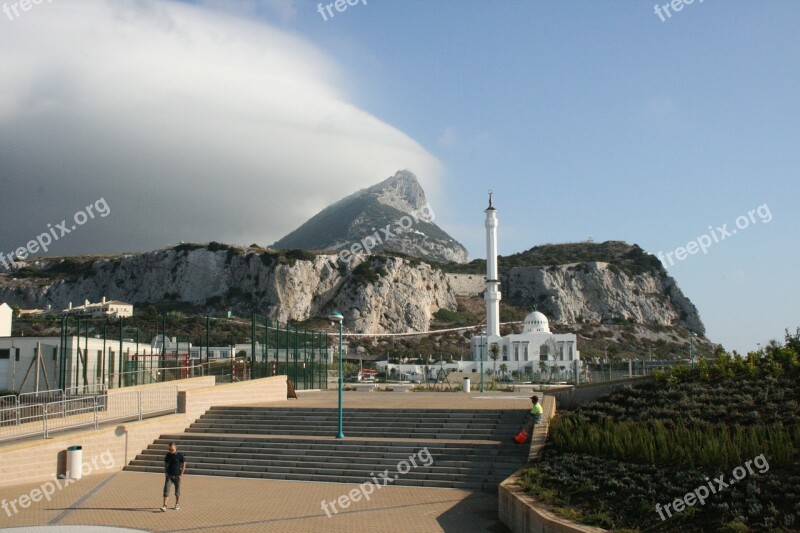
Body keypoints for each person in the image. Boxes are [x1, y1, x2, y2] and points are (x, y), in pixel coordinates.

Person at [162, 442, 186, 511]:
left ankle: (177, 503)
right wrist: (166, 472)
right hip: (169, 475)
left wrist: (181, 474)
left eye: (172, 449)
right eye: (169, 449)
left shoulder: (180, 455)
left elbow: (184, 464)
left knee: (177, 491)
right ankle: (164, 505)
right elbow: (166, 464)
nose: (170, 451)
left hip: (177, 476)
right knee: (166, 490)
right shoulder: (168, 455)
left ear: (175, 448)